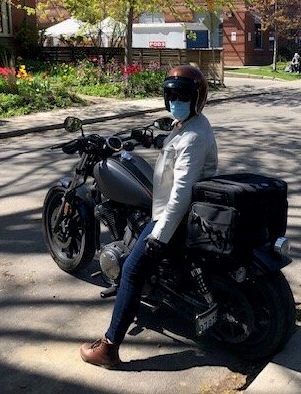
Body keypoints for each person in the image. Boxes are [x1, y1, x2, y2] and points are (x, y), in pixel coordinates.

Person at [79, 65, 218, 368]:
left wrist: (159, 236)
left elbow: (181, 193)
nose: (174, 102)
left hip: (174, 216)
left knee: (131, 269)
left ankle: (109, 347)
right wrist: (151, 139)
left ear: (197, 98)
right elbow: (174, 149)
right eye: (170, 96)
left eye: (181, 96)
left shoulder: (193, 136)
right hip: (170, 208)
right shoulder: (189, 126)